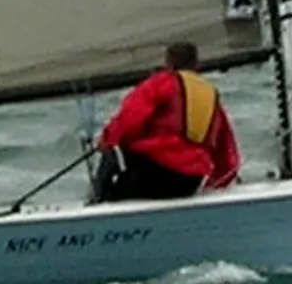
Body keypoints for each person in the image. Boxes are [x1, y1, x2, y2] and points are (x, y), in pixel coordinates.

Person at [91, 40, 240, 202]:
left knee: (112, 154)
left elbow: (128, 121)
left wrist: (106, 141)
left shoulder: (160, 84)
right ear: (196, 64)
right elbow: (227, 155)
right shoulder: (210, 95)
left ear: (168, 62)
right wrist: (214, 186)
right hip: (190, 180)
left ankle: (98, 206)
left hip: (153, 171)